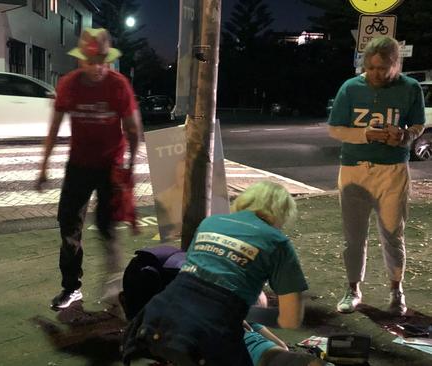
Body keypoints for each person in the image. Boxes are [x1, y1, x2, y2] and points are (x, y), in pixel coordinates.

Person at [122, 181, 309, 366]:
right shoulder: (277, 242)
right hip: (208, 334)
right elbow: (290, 319)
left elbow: (195, 277)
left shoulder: (210, 222)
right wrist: (245, 312)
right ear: (282, 214)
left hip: (156, 319)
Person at [36, 27, 142, 310]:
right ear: (80, 59)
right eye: (90, 61)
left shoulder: (119, 85)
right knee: (68, 226)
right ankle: (71, 288)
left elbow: (133, 129)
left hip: (110, 167)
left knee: (107, 226)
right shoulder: (69, 84)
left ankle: (114, 283)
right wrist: (44, 166)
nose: (96, 67)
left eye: (101, 61)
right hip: (79, 166)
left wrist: (130, 167)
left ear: (108, 60)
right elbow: (55, 127)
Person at [328, 36, 426, 316]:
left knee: (393, 233)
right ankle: (352, 288)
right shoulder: (350, 87)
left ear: (396, 65)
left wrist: (406, 135)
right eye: (370, 68)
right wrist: (366, 135)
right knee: (353, 235)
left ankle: (396, 290)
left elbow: (418, 124)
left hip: (393, 169)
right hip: (354, 168)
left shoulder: (410, 88)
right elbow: (335, 129)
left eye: (382, 68)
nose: (375, 74)